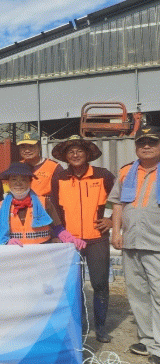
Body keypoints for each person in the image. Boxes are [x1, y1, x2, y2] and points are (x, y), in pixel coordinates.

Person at [51, 135, 116, 343]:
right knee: (74, 285)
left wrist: (111, 220)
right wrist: (58, 234)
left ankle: (100, 328)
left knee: (99, 283)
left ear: (87, 154)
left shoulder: (103, 175)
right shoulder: (59, 178)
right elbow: (54, 209)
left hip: (97, 238)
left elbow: (120, 200)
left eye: (79, 151)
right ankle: (78, 325)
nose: (75, 154)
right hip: (70, 242)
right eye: (71, 152)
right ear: (65, 157)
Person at [110, 125, 160, 364]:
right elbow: (118, 204)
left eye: (152, 142)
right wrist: (116, 232)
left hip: (157, 243)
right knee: (137, 293)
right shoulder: (126, 171)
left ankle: (159, 347)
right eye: (142, 142)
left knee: (159, 295)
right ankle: (147, 340)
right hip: (131, 242)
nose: (146, 146)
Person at [0, 162, 85, 250]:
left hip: (42, 253)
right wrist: (6, 242)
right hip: (14, 254)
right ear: (8, 182)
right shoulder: (0, 206)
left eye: (23, 179)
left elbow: (57, 228)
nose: (18, 183)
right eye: (14, 179)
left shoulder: (44, 202)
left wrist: (70, 239)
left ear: (30, 182)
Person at [17, 131, 63, 197]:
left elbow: (62, 193)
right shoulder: (16, 167)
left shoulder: (54, 167)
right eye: (23, 147)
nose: (27, 150)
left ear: (39, 147)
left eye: (31, 146)